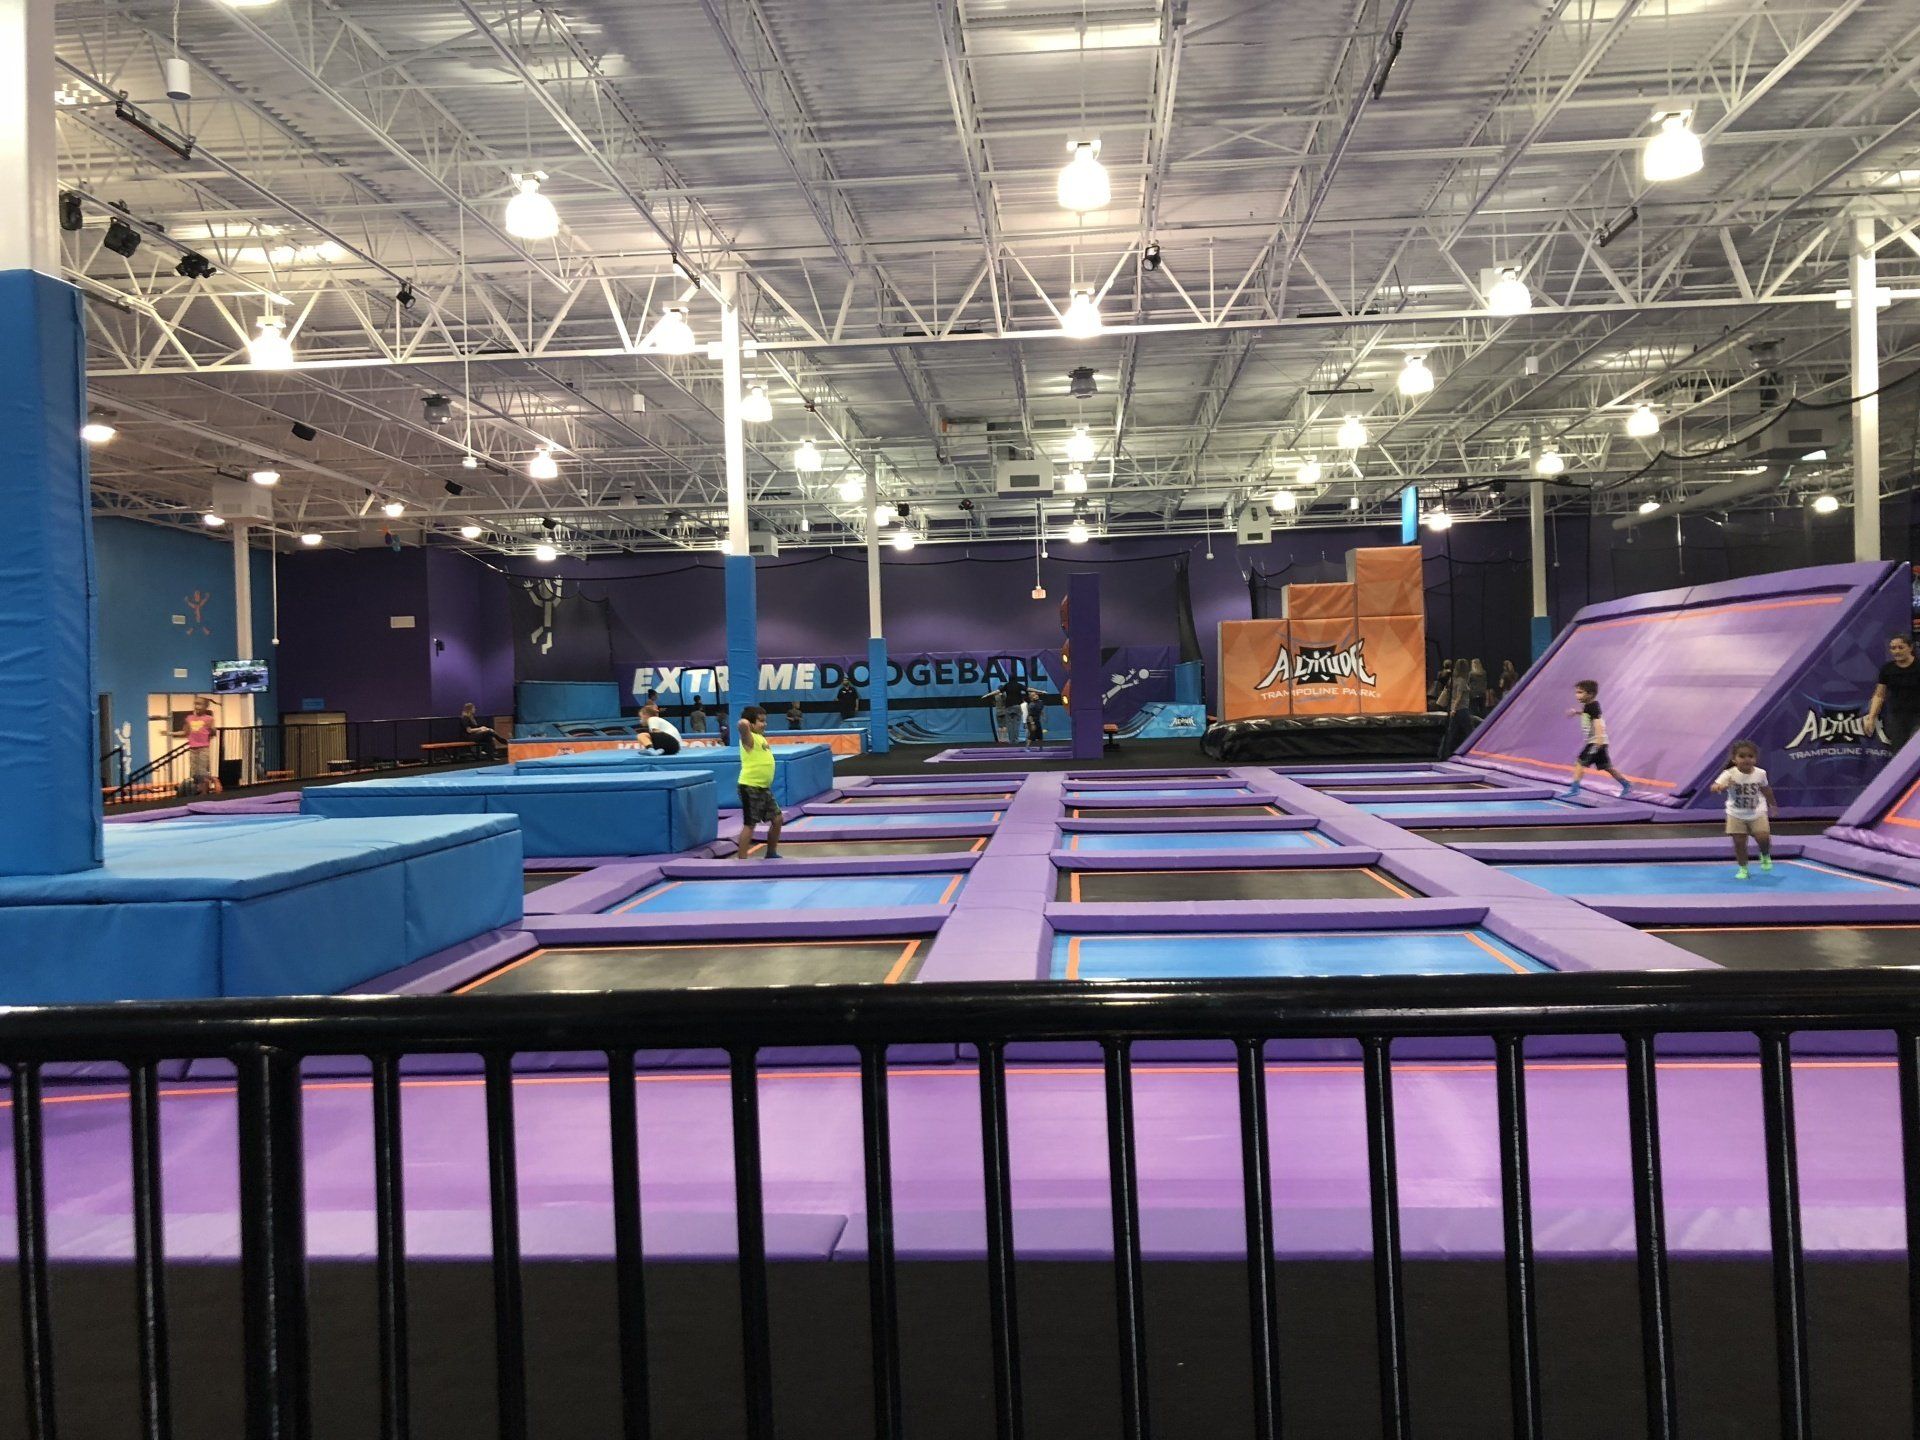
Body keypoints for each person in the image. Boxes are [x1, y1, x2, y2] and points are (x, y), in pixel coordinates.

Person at [1710, 739, 1778, 881]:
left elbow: (1766, 790)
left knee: (1763, 837)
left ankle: (1765, 854)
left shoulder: (1760, 773)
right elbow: (1714, 787)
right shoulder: (1729, 774)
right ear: (1734, 759)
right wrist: (1722, 787)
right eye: (1742, 756)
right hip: (1735, 814)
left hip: (1757, 812)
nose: (1746, 759)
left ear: (1755, 759)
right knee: (1739, 843)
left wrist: (1773, 805)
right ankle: (1743, 868)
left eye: (1750, 756)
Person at [1560, 679, 1632, 798]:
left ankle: (1574, 789)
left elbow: (1598, 723)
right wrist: (1576, 712)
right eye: (1577, 692)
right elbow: (1586, 714)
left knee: (1579, 763)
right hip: (1599, 742)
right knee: (1607, 767)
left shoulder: (1593, 706)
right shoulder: (1589, 706)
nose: (1577, 695)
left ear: (1590, 694)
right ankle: (1626, 784)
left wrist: (1598, 741)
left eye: (1580, 692)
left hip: (1595, 742)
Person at [734, 705, 781, 860]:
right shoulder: (749, 738)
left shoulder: (761, 737)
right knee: (750, 824)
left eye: (765, 720)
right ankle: (742, 860)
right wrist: (744, 723)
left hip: (763, 788)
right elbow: (742, 726)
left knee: (777, 819)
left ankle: (771, 852)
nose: (764, 724)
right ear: (752, 724)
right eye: (761, 721)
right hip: (750, 787)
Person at [1866, 634, 1920, 756]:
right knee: (1899, 753)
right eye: (1893, 648)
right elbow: (1879, 695)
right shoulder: (1887, 670)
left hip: (1918, 717)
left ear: (1910, 648)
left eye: (1901, 647)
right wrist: (1871, 717)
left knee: (1915, 750)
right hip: (1897, 718)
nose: (1897, 651)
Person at [1439, 672, 1476, 759]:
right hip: (1461, 709)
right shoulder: (1461, 681)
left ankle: (1443, 754)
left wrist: (1452, 709)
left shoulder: (1452, 680)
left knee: (1451, 733)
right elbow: (1458, 697)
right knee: (1469, 731)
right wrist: (1454, 709)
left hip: (1454, 709)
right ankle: (1473, 752)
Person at [184, 699, 218, 794]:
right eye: (195, 704)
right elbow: (185, 732)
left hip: (203, 748)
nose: (197, 706)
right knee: (194, 772)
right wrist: (169, 733)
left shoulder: (209, 718)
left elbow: (213, 733)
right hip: (192, 748)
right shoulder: (189, 718)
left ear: (206, 707)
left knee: (202, 771)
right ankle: (199, 789)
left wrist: (212, 729)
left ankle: (204, 792)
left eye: (199, 704)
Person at [990, 673, 1028, 744]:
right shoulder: (1007, 693)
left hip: (999, 711)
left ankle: (1002, 739)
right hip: (1008, 709)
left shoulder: (996, 696)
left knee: (1002, 726)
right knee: (1013, 725)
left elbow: (994, 702)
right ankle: (1011, 739)